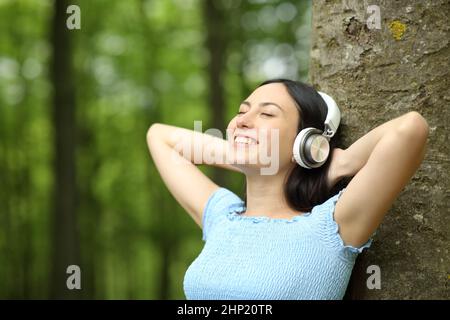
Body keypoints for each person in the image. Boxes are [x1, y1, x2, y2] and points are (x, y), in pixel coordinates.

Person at [146, 79, 429, 299]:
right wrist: (244, 152)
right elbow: (159, 136)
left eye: (267, 114)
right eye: (242, 111)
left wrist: (335, 162)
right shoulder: (222, 217)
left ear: (305, 142)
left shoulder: (330, 227)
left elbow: (410, 129)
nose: (242, 120)